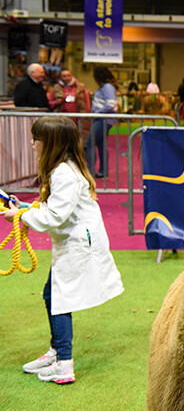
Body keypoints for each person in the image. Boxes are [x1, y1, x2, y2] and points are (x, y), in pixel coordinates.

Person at [2, 116, 124, 384]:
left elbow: (54, 216)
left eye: (36, 139)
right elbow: (53, 207)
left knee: (60, 300)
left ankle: (64, 364)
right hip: (73, 242)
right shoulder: (62, 168)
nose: (32, 144)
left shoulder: (63, 174)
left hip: (78, 244)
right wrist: (22, 207)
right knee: (51, 295)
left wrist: (20, 217)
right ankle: (57, 351)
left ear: (50, 143)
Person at [84, 66, 118, 179]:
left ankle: (90, 170)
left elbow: (111, 104)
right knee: (101, 145)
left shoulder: (107, 87)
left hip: (102, 119)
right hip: (104, 119)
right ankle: (103, 171)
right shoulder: (106, 87)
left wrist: (96, 112)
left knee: (89, 143)